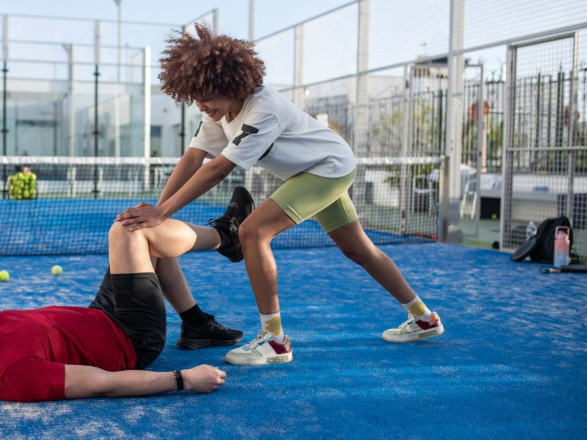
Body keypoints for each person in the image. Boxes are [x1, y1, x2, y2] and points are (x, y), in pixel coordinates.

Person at [116, 24, 445, 366]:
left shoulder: (263, 107)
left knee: (252, 231)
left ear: (232, 83)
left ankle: (274, 340)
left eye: (209, 93)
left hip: (328, 167)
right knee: (357, 248)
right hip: (311, 170)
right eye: (196, 95)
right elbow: (194, 157)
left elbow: (218, 169)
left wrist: (161, 214)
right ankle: (424, 318)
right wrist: (158, 211)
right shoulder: (214, 111)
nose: (202, 103)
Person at [0, 190, 253, 401]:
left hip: (100, 313)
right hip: (132, 337)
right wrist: (184, 379)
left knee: (147, 241)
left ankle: (196, 325)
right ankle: (226, 235)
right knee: (129, 231)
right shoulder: (11, 377)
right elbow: (104, 384)